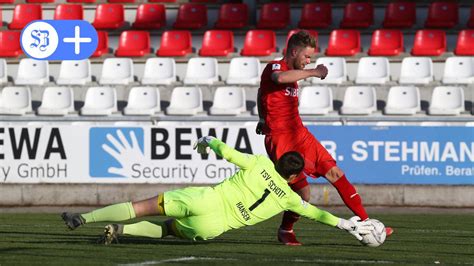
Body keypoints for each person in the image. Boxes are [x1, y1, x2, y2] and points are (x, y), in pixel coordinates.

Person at [62, 136, 372, 245]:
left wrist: (208, 140)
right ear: (294, 177)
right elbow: (317, 213)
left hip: (205, 199)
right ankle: (122, 232)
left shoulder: (258, 163)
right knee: (168, 231)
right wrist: (347, 224)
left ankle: (83, 219)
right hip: (213, 227)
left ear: (278, 161)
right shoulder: (290, 196)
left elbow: (226, 150)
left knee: (142, 206)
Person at [256, 30, 393, 246]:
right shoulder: (276, 67)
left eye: (310, 58)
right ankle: (285, 229)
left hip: (300, 134)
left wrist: (262, 117)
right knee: (303, 192)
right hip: (280, 139)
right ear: (294, 51)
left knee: (335, 172)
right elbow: (279, 78)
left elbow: (262, 92)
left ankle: (368, 222)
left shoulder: (293, 75)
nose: (309, 61)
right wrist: (314, 71)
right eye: (306, 56)